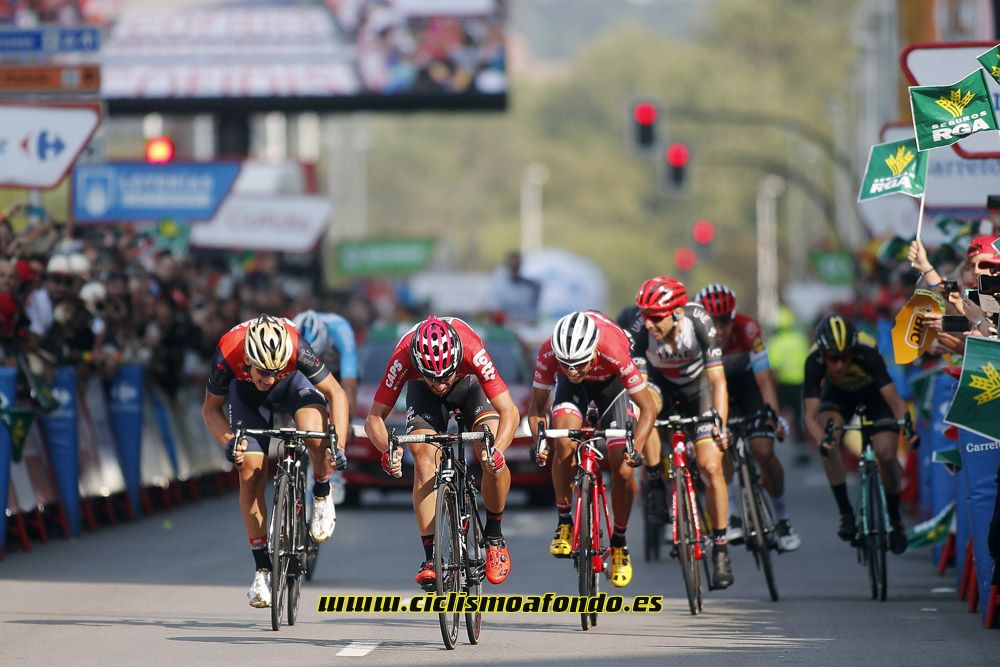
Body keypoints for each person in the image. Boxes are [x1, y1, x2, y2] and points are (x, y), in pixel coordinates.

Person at [202, 314, 350, 608]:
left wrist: (338, 445)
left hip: (296, 387)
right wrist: (230, 442)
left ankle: (321, 492)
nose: (269, 379)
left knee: (315, 434)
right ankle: (262, 571)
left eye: (275, 371)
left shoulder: (297, 347)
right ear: (248, 359)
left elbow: (337, 394)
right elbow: (211, 409)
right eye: (263, 372)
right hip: (246, 398)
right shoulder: (229, 350)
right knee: (250, 474)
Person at [364, 316, 519, 588]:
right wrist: (387, 450)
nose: (439, 384)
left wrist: (497, 451)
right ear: (418, 365)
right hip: (423, 399)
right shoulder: (403, 356)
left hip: (470, 386)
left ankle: (494, 536)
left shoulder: (471, 349)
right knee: (422, 456)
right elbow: (374, 418)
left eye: (445, 376)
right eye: (431, 377)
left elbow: (509, 411)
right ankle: (430, 559)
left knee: (487, 447)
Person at [527, 310, 657, 588]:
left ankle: (619, 544)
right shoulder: (550, 352)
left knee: (622, 468)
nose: (573, 371)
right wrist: (541, 440)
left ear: (593, 352)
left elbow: (649, 407)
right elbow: (537, 408)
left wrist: (638, 447)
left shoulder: (614, 348)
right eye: (567, 365)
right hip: (575, 395)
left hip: (613, 390)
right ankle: (564, 519)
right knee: (563, 441)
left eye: (579, 364)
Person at [620, 276, 734, 589]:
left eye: (656, 317)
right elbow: (638, 391)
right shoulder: (641, 329)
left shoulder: (699, 322)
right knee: (650, 409)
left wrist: (719, 425)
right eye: (645, 315)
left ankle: (721, 549)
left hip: (699, 389)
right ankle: (656, 478)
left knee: (711, 466)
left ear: (676, 314)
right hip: (659, 386)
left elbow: (718, 382)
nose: (649, 322)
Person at [695, 284, 801, 552]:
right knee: (721, 443)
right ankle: (731, 513)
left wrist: (773, 416)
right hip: (712, 389)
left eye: (725, 322)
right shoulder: (693, 334)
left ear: (734, 318)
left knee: (763, 451)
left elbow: (764, 379)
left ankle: (783, 519)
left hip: (746, 386)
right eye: (712, 322)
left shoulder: (747, 328)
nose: (719, 330)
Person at [801, 314, 911, 554]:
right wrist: (824, 441)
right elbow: (810, 415)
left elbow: (893, 399)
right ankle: (845, 513)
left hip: (874, 397)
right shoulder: (814, 360)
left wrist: (906, 426)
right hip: (838, 397)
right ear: (823, 354)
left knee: (886, 454)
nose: (839, 365)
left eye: (845, 358)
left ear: (853, 351)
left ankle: (894, 517)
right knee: (830, 441)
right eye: (833, 359)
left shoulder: (867, 352)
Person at [488, 251, 541, 328]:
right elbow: (495, 312)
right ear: (506, 266)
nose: (513, 269)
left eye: (516, 266)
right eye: (511, 266)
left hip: (528, 328)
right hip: (507, 329)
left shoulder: (531, 287)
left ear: (520, 266)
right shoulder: (498, 287)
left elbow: (535, 313)